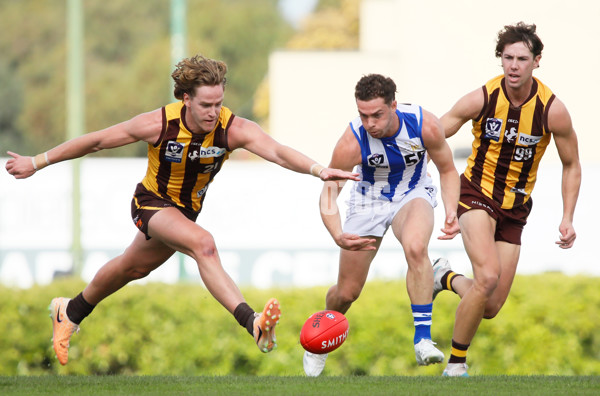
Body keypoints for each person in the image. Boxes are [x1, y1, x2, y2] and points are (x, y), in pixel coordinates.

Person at [5, 54, 360, 366]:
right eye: (205, 104)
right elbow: (95, 141)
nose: (213, 112)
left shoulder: (231, 128)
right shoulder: (158, 124)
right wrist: (37, 161)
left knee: (132, 267)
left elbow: (279, 151)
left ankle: (70, 311)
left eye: (218, 103)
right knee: (204, 244)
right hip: (151, 203)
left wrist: (319, 169)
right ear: (185, 98)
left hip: (184, 214)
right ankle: (253, 323)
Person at [432, 22, 582, 377]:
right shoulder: (482, 98)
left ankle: (445, 277)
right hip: (476, 194)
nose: (514, 66)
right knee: (486, 278)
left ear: (537, 61)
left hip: (515, 207)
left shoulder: (552, 109)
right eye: (508, 58)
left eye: (522, 58)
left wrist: (568, 217)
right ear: (500, 59)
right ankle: (456, 365)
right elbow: (437, 131)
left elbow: (572, 165)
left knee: (491, 304)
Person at [302, 73, 460, 376]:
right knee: (346, 293)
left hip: (413, 193)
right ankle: (317, 339)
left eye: (377, 114)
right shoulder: (351, 141)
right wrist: (337, 235)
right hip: (367, 201)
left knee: (416, 247)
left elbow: (448, 170)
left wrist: (451, 211)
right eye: (363, 115)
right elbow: (328, 197)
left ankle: (422, 339)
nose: (370, 122)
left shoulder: (424, 124)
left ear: (394, 105)